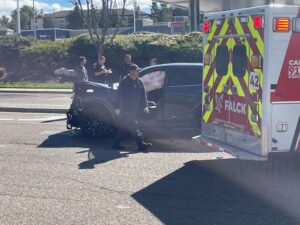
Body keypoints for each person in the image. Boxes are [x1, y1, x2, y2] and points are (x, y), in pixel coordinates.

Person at [112, 64, 152, 151]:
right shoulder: (125, 81)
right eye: (132, 72)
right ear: (130, 72)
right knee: (133, 125)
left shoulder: (139, 81)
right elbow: (118, 95)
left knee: (125, 127)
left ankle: (116, 143)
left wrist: (145, 106)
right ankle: (141, 144)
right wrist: (117, 107)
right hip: (125, 108)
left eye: (136, 71)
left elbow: (143, 95)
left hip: (135, 108)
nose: (134, 73)